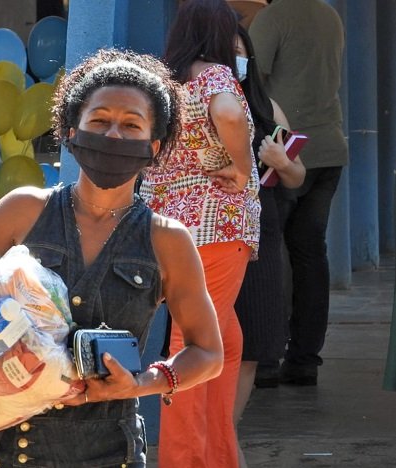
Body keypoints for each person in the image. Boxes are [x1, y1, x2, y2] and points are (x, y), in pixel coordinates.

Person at [0, 48, 225, 467]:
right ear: (71, 131)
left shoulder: (167, 240)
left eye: (131, 125)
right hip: (7, 452)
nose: (113, 135)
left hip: (110, 454)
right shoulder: (23, 210)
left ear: (153, 147)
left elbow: (208, 353)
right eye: (99, 121)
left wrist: (142, 383)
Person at [139, 1, 261, 466]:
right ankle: (185, 459)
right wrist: (243, 168)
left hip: (169, 228)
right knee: (194, 346)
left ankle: (218, 456)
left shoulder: (162, 85)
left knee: (226, 342)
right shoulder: (214, 76)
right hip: (216, 226)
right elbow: (228, 114)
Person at [249, 0, 348, 386]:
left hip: (285, 152)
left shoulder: (273, 17)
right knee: (310, 256)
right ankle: (305, 359)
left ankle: (266, 360)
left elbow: (250, 82)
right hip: (329, 148)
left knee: (270, 256)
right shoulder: (330, 15)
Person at [232, 24, 306, 468]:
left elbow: (296, 175)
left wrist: (281, 161)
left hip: (264, 232)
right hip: (216, 237)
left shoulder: (267, 107)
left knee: (255, 345)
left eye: (240, 50)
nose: (235, 59)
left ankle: (228, 434)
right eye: (225, 52)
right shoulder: (195, 104)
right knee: (210, 343)